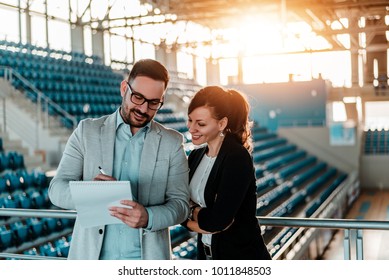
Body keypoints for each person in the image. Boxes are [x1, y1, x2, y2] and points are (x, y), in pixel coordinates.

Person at [48, 59, 190, 260]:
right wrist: (92, 194)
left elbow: (181, 206)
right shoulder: (87, 131)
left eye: (154, 103)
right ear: (124, 88)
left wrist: (148, 217)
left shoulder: (172, 142)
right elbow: (56, 190)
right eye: (138, 97)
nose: (143, 109)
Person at [184, 86, 271, 260]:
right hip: (207, 255)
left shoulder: (237, 157)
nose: (191, 128)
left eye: (200, 123)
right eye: (190, 120)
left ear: (221, 124)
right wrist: (199, 216)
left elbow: (219, 220)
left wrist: (190, 211)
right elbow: (179, 206)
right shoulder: (195, 156)